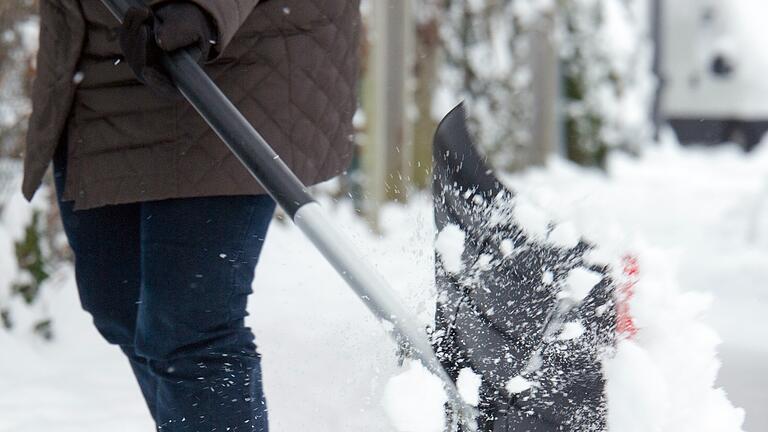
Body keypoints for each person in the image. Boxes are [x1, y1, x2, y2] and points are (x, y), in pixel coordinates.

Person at [22, 0, 360, 430]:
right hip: (106, 55)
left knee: (186, 325)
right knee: (120, 303)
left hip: (235, 54)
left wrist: (206, 7)